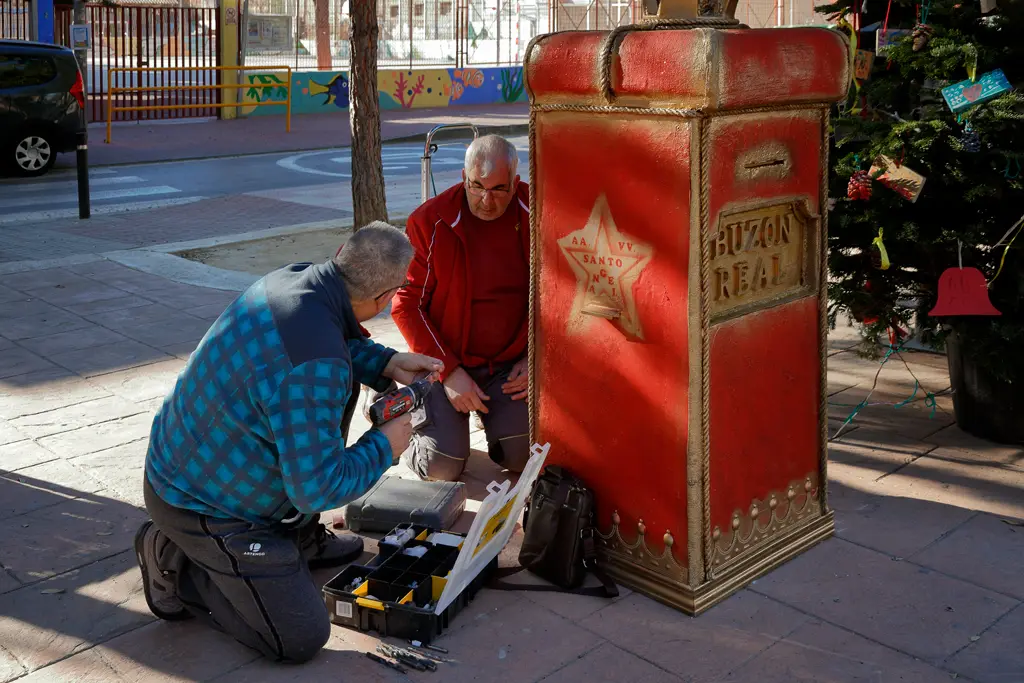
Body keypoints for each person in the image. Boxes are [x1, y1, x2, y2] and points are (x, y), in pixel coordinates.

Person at [135, 222, 443, 664]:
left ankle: (296, 536)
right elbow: (317, 487)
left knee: (318, 416)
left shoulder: (296, 280)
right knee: (298, 636)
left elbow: (329, 343)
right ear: (383, 299)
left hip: (191, 463)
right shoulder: (315, 368)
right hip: (199, 504)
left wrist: (389, 362)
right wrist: (384, 445)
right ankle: (172, 558)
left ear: (342, 253)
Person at [391, 134, 531, 482]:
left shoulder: (537, 210)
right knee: (441, 466)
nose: (486, 200)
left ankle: (495, 420)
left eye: (499, 189)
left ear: (515, 182)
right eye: (476, 186)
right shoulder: (429, 221)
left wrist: (536, 359)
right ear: (462, 177)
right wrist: (449, 371)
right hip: (444, 360)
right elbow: (406, 305)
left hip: (507, 365)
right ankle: (399, 415)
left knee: (525, 456)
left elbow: (558, 296)